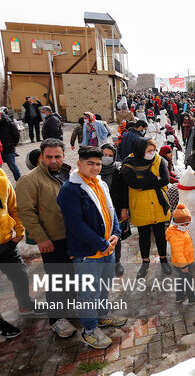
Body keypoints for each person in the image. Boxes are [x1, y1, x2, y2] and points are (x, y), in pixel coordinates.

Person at [57, 146, 126, 349]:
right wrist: (101, 244)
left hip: (107, 248)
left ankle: (102, 316)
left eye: (98, 163)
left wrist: (116, 233)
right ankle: (89, 330)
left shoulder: (99, 183)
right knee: (88, 293)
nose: (95, 167)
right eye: (90, 164)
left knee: (103, 287)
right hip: (88, 253)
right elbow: (75, 224)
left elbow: (110, 209)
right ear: (79, 164)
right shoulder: (70, 189)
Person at [17, 138, 77, 338]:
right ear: (41, 157)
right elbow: (26, 213)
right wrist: (41, 238)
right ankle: (57, 319)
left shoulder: (68, 173)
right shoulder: (30, 180)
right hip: (52, 239)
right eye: (49, 157)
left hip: (73, 236)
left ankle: (70, 306)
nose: (53, 160)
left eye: (57, 156)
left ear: (63, 155)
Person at [121, 138, 172, 278]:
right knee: (143, 236)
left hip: (158, 204)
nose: (152, 153)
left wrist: (142, 185)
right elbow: (132, 183)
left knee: (160, 234)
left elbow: (165, 180)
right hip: (140, 205)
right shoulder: (129, 164)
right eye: (148, 151)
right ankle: (145, 263)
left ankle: (163, 259)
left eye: (153, 150)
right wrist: (154, 180)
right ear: (139, 150)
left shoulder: (159, 160)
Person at [0, 166, 43, 325]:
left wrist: (19, 229)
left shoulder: (1, 175)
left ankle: (26, 306)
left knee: (20, 276)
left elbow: (12, 206)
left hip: (6, 242)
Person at [100, 144, 128, 276]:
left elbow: (123, 192)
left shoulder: (117, 173)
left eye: (110, 156)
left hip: (115, 211)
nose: (107, 158)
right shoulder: (94, 172)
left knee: (116, 236)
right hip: (98, 212)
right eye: (104, 155)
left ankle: (117, 262)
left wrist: (124, 208)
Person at [166, 204, 195, 305]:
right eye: (185, 224)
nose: (187, 226)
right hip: (183, 263)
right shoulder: (177, 235)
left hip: (183, 261)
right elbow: (178, 253)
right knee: (188, 281)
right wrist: (184, 266)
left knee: (181, 279)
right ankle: (191, 298)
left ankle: (179, 296)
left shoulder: (179, 230)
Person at [0, 108, 21, 180]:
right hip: (0, 150)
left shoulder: (9, 123)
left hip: (8, 148)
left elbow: (16, 135)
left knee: (13, 166)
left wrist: (12, 145)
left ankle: (19, 182)